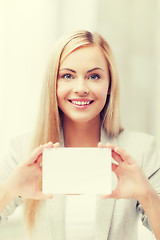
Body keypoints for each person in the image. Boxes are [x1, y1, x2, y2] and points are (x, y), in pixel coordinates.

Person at [0, 30, 160, 240]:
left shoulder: (142, 150)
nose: (81, 88)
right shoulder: (23, 150)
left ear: (109, 84)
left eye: (94, 76)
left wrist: (146, 195)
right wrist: (8, 190)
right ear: (53, 84)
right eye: (67, 75)